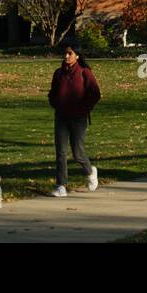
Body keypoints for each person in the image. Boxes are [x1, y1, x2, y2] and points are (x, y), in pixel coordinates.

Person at [47, 44, 101, 197]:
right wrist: (55, 103)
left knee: (77, 153)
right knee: (61, 152)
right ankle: (61, 185)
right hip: (61, 117)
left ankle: (90, 171)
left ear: (77, 56)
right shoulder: (59, 73)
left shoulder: (85, 73)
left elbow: (95, 94)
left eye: (69, 53)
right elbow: (52, 93)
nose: (66, 56)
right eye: (65, 53)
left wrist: (83, 109)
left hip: (78, 118)